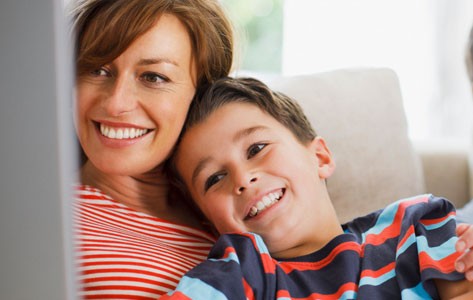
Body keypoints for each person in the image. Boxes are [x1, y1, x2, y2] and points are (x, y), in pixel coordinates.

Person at [164, 77, 473, 299]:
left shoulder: (415, 224)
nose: (243, 179)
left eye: (257, 148)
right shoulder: (237, 276)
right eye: (215, 178)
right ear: (208, 220)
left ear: (320, 157)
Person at [69, 0, 234, 298]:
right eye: (97, 70)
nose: (116, 103)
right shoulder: (35, 214)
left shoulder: (233, 214)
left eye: (153, 77)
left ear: (202, 98)